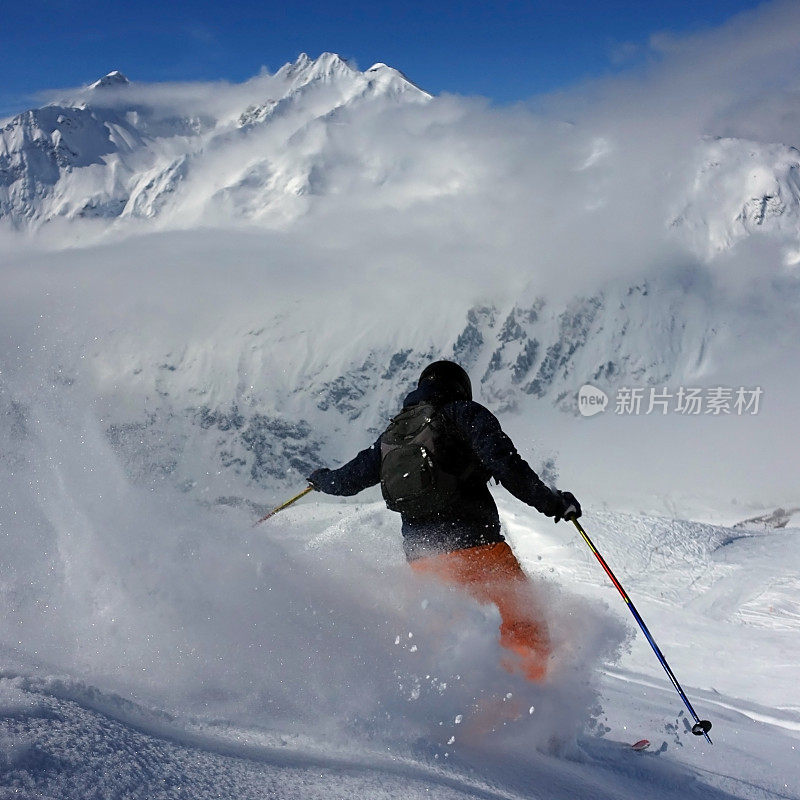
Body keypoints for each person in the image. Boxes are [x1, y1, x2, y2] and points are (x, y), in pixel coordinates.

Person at [308, 359, 581, 684]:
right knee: (523, 625)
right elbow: (508, 466)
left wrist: (320, 479)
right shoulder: (463, 414)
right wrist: (554, 502)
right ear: (461, 388)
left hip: (424, 565)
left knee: (452, 643)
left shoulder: (395, 433)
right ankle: (524, 719)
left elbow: (347, 482)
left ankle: (456, 719)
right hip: (478, 550)